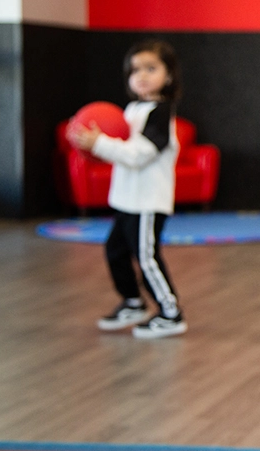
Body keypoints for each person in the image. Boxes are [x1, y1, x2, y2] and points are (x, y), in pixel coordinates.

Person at [68, 39, 187, 339]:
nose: (142, 76)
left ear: (169, 75)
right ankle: (133, 302)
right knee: (115, 250)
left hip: (148, 201)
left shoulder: (161, 112)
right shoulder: (133, 108)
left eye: (151, 68)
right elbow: (116, 142)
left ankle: (171, 312)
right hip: (125, 200)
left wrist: (100, 143)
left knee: (147, 258)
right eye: (135, 70)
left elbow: (138, 154)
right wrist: (89, 137)